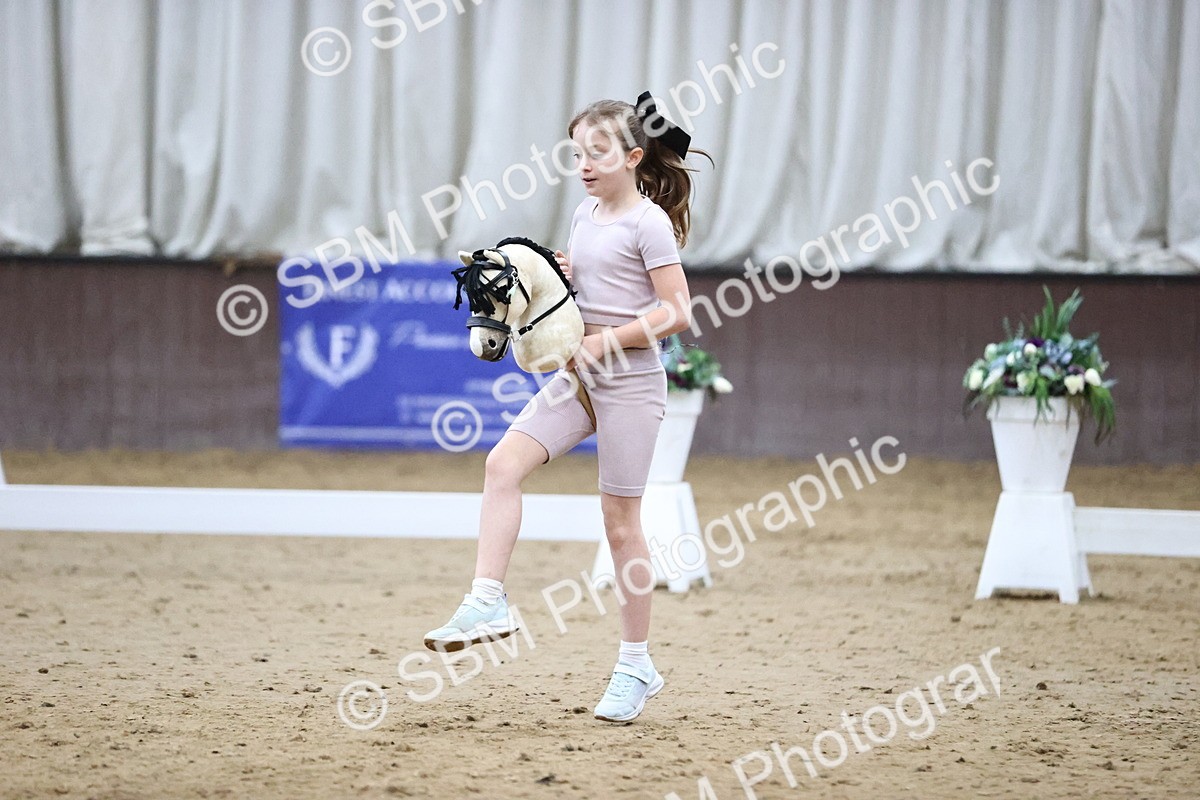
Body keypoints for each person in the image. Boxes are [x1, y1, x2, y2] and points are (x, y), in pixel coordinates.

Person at [424, 93, 707, 722]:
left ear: (633, 157)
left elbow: (676, 311)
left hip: (630, 383)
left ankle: (635, 665)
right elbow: (588, 281)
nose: (583, 165)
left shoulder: (649, 223)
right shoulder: (585, 213)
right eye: (577, 153)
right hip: (579, 378)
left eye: (597, 153)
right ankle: (487, 598)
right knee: (502, 465)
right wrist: (555, 271)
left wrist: (606, 340)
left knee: (620, 525)